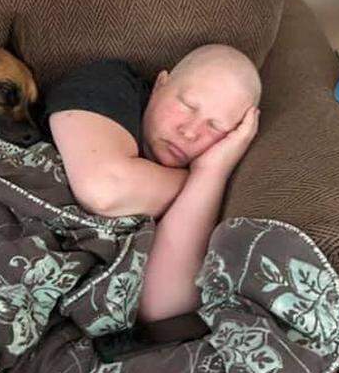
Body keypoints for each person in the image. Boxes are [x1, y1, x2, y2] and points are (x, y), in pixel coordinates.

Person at [45, 45, 261, 323]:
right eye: (187, 106)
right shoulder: (109, 83)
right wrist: (194, 181)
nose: (190, 131)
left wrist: (212, 172)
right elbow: (104, 190)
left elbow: (163, 308)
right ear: (161, 84)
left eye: (215, 127)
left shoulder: (209, 176)